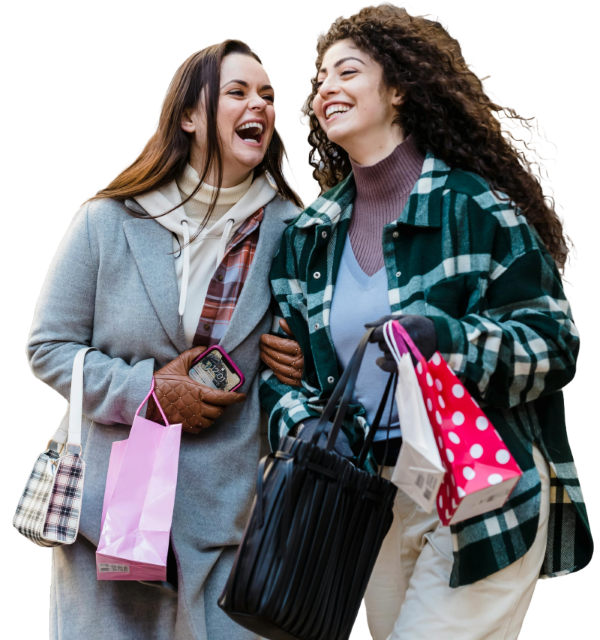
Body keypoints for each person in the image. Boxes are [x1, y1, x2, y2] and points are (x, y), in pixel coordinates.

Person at [258, 3, 593, 638]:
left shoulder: (476, 208)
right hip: (370, 497)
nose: (326, 88)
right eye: (321, 77)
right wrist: (307, 432)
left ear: (400, 87)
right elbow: (284, 372)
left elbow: (554, 345)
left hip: (480, 488)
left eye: (347, 71)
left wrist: (452, 340)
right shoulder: (310, 235)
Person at [26, 38, 302, 640]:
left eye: (267, 96)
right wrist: (144, 390)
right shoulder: (108, 220)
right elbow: (48, 346)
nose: (259, 104)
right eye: (237, 92)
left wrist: (305, 361)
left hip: (236, 526)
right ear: (189, 115)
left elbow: (316, 352)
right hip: (110, 524)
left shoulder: (297, 232)